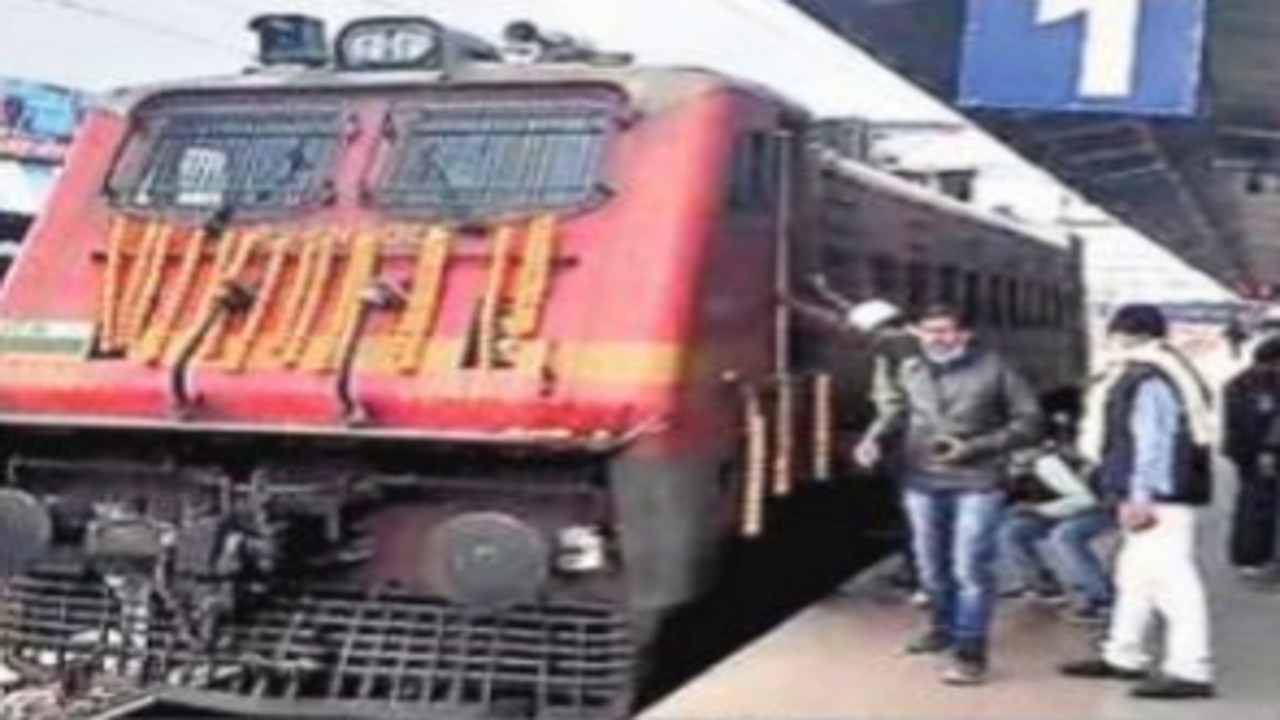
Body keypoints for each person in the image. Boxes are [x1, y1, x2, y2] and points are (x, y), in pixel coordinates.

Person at [856, 304, 1041, 686]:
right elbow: (896, 411)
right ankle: (942, 628)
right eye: (929, 332)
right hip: (921, 479)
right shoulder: (911, 368)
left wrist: (973, 447)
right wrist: (873, 439)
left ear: (964, 334)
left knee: (970, 567)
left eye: (944, 331)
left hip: (979, 480)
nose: (936, 339)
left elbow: (1030, 422)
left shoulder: (995, 368)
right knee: (930, 568)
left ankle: (970, 652)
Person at [1060, 304, 1216, 700]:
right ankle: (1124, 653)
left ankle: (1191, 668)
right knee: (1134, 578)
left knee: (1173, 582)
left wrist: (1140, 496)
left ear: (1123, 334)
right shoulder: (1154, 370)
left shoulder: (1147, 378)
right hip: (1154, 493)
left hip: (1157, 497)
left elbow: (1152, 443)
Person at [781, 277, 924, 602]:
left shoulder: (897, 348)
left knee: (915, 510)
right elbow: (850, 320)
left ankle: (922, 578)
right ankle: (920, 572)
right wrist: (824, 293)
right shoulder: (914, 339)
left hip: (913, 440)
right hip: (922, 438)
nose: (864, 339)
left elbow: (894, 406)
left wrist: (870, 439)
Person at [999, 439, 1114, 624]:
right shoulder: (1015, 467)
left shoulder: (1047, 464)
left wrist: (1037, 509)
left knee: (1065, 535)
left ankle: (1101, 598)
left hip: (1099, 510)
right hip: (1064, 512)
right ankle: (1043, 585)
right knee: (1013, 532)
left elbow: (1085, 500)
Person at [1222, 334, 1280, 580]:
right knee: (1257, 506)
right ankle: (1252, 557)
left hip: (1251, 452)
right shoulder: (1252, 386)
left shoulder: (1243, 383)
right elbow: (1254, 424)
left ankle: (1256, 556)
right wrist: (1266, 452)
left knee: (1258, 504)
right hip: (1255, 453)